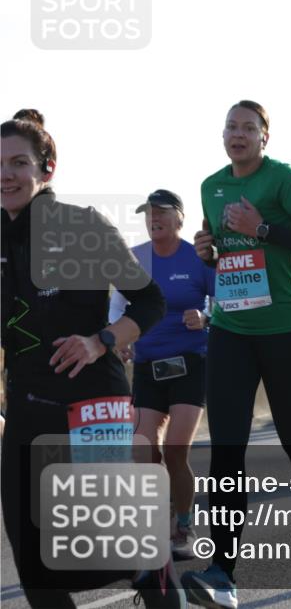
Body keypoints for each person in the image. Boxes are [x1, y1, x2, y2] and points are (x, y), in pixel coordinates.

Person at [1, 110, 172, 607]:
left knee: (111, 552)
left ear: (46, 168)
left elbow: (150, 300)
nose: (7, 174)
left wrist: (101, 338)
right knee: (33, 563)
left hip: (91, 404)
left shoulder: (80, 224)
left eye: (19, 163)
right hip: (27, 410)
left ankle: (151, 567)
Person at [183, 100, 291, 608]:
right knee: (226, 450)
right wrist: (208, 249)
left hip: (287, 330)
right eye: (231, 126)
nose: (238, 134)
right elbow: (224, 254)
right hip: (231, 328)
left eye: (248, 128)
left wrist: (264, 229)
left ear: (264, 138)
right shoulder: (211, 186)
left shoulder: (283, 180)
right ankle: (222, 573)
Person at [110, 190, 214, 561]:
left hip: (190, 362)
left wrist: (205, 318)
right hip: (148, 365)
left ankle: (183, 524)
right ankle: (162, 514)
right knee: (142, 448)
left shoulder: (197, 257)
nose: (153, 218)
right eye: (148, 213)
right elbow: (119, 305)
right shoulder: (136, 258)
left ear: (179, 219)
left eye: (161, 213)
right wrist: (119, 339)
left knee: (175, 450)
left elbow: (223, 301)